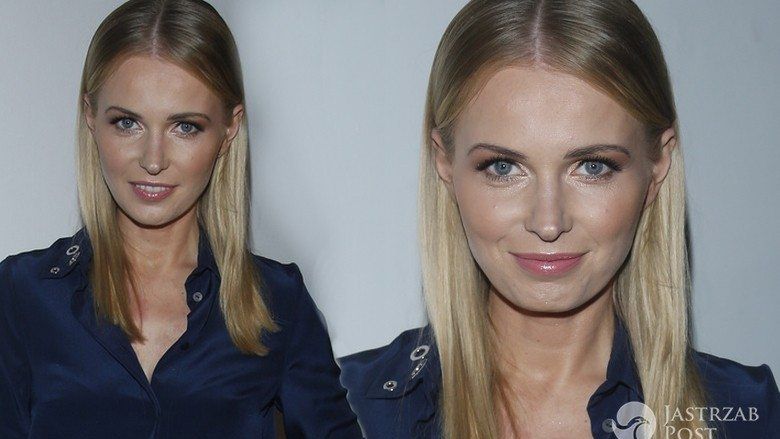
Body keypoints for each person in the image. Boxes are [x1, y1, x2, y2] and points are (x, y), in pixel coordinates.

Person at [339, 1, 779, 438]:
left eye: (592, 166)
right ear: (445, 163)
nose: (548, 223)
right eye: (503, 167)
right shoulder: (343, 407)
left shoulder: (747, 416)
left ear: (657, 165)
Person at [0, 1, 361, 438]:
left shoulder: (278, 302)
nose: (153, 160)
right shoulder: (21, 295)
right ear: (90, 116)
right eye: (127, 123)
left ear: (228, 130)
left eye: (185, 127)